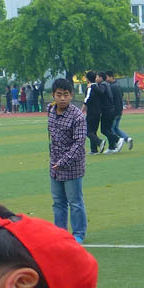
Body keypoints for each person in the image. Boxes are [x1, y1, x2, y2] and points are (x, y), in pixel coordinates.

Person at [47, 77, 87, 243]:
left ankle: (78, 234)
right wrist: (54, 161)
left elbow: (79, 143)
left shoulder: (77, 116)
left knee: (75, 202)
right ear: (53, 95)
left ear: (71, 95)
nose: (62, 98)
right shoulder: (50, 111)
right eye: (59, 94)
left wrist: (63, 161)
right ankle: (59, 233)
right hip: (54, 166)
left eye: (66, 94)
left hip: (72, 167)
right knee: (58, 202)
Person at [106, 70, 133, 150]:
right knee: (116, 128)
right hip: (120, 110)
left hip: (114, 110)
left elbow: (111, 99)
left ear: (111, 77)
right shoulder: (118, 85)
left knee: (111, 129)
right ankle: (127, 138)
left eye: (107, 77)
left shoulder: (111, 87)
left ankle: (116, 144)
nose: (106, 79)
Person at [84, 71, 105, 153]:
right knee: (93, 131)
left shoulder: (90, 88)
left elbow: (86, 100)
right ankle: (94, 149)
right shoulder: (97, 87)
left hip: (91, 112)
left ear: (87, 79)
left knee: (87, 131)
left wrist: (81, 111)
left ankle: (99, 142)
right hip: (98, 112)